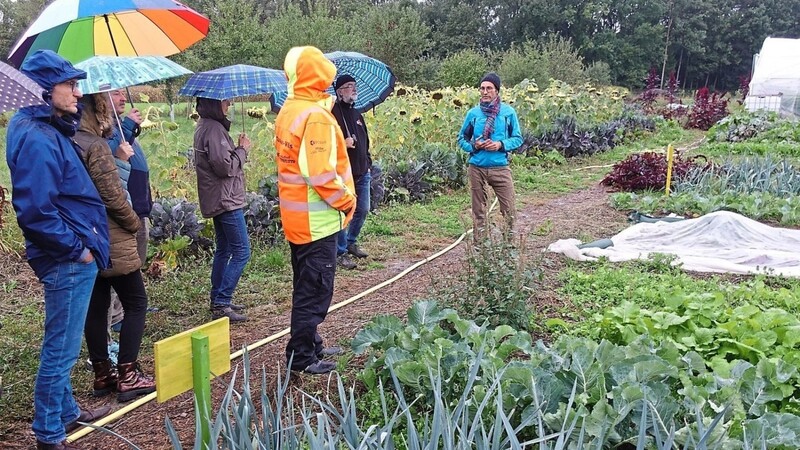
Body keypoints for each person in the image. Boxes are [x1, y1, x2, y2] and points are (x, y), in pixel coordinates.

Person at [6, 49, 111, 450]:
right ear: (45, 90)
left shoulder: (43, 126)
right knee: (61, 350)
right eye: (70, 84)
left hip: (68, 253)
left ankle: (66, 411)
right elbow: (35, 211)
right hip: (66, 258)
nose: (78, 92)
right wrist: (78, 250)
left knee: (63, 340)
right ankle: (49, 433)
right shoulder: (37, 136)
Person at [274, 46, 356, 374]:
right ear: (319, 74)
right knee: (315, 290)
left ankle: (311, 342)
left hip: (297, 219)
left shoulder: (289, 109)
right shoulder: (316, 117)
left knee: (306, 283)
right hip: (316, 220)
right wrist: (346, 201)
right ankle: (302, 357)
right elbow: (320, 173)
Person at [74, 93, 156, 403]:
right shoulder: (95, 146)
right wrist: (134, 222)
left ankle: (103, 373)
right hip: (112, 235)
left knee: (96, 305)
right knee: (136, 301)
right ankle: (128, 374)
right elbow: (112, 195)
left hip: (87, 235)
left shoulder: (70, 141)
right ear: (97, 111)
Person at [194, 97, 252, 322]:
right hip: (226, 200)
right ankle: (222, 302)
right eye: (224, 101)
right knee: (241, 251)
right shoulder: (214, 129)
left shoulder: (206, 126)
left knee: (224, 249)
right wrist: (242, 150)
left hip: (217, 198)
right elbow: (225, 167)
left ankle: (217, 297)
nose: (228, 104)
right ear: (213, 104)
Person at [457, 72, 523, 239]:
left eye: (489, 88)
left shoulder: (508, 113)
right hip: (477, 167)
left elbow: (518, 138)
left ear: (497, 91)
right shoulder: (473, 114)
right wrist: (474, 145)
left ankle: (510, 245)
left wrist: (500, 145)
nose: (485, 92)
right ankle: (480, 247)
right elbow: (461, 138)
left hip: (500, 167)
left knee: (509, 210)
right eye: (482, 88)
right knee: (479, 211)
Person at [331, 75, 372, 270]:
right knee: (343, 213)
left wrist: (368, 162)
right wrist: (343, 144)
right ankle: (340, 252)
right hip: (343, 174)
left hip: (363, 172)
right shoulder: (332, 115)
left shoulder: (356, 114)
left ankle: (351, 241)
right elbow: (327, 144)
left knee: (362, 209)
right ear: (338, 91)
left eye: (354, 86)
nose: (353, 89)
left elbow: (366, 141)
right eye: (348, 86)